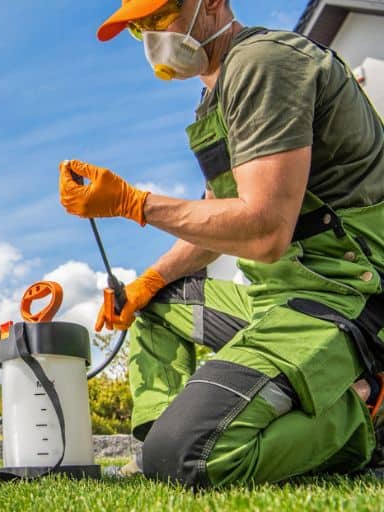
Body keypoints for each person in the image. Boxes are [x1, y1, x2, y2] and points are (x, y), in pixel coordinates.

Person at [59, 0, 384, 487]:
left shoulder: (264, 64)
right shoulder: (217, 99)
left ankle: (369, 414)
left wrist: (133, 203)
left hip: (345, 295)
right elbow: (219, 225)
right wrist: (148, 282)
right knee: (157, 303)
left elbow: (266, 229)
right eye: (139, 29)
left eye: (159, 16)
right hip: (276, 296)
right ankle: (154, 451)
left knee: (189, 459)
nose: (152, 39)